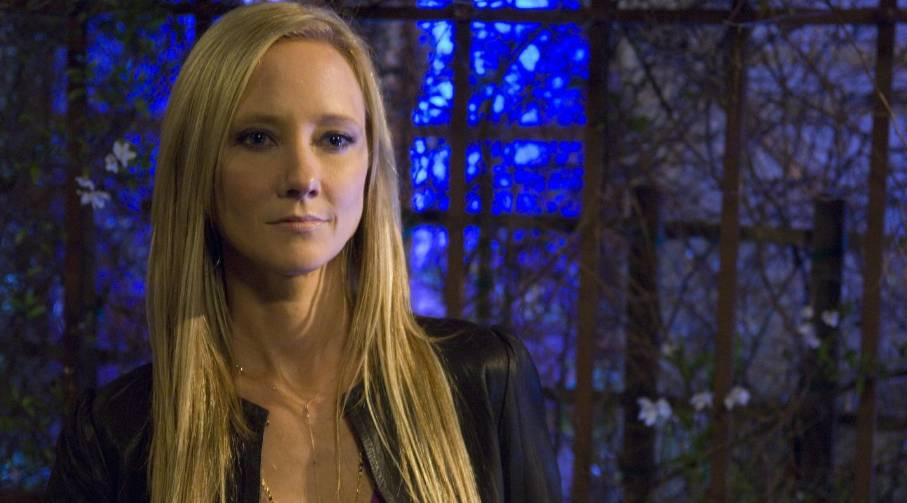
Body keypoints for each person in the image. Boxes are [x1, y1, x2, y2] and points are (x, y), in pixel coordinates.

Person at [45, 2, 560, 502]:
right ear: (198, 168)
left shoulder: (485, 382)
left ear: (370, 168)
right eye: (257, 138)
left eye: (334, 139)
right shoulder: (115, 440)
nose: (302, 177)